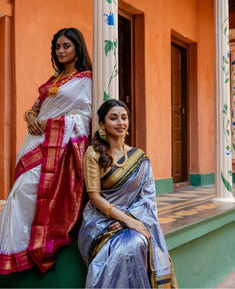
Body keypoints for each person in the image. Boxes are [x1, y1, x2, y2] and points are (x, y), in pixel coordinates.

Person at [0, 27, 92, 275]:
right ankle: (14, 251)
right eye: (58, 47)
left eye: (66, 46)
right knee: (20, 191)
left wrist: (50, 124)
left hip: (58, 143)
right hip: (35, 141)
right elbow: (36, 106)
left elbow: (84, 117)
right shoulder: (54, 79)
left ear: (77, 48)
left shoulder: (85, 80)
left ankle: (34, 247)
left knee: (30, 189)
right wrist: (30, 116)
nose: (61, 51)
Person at [78, 99, 178, 288]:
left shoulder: (139, 157)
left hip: (133, 216)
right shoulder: (94, 154)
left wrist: (129, 219)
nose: (120, 122)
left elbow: (147, 197)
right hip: (99, 220)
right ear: (102, 124)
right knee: (126, 246)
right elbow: (94, 197)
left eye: (124, 118)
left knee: (137, 240)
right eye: (113, 118)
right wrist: (126, 219)